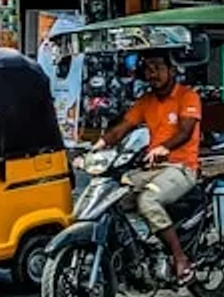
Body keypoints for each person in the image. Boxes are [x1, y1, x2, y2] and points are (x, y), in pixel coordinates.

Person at [83, 52, 202, 284]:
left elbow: (185, 132)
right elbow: (121, 129)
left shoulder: (188, 97)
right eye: (148, 69)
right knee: (114, 196)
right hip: (151, 168)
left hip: (181, 168)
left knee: (147, 201)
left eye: (157, 67)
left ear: (171, 70)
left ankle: (180, 258)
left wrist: (163, 149)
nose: (152, 74)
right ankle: (142, 248)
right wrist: (95, 148)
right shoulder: (146, 101)